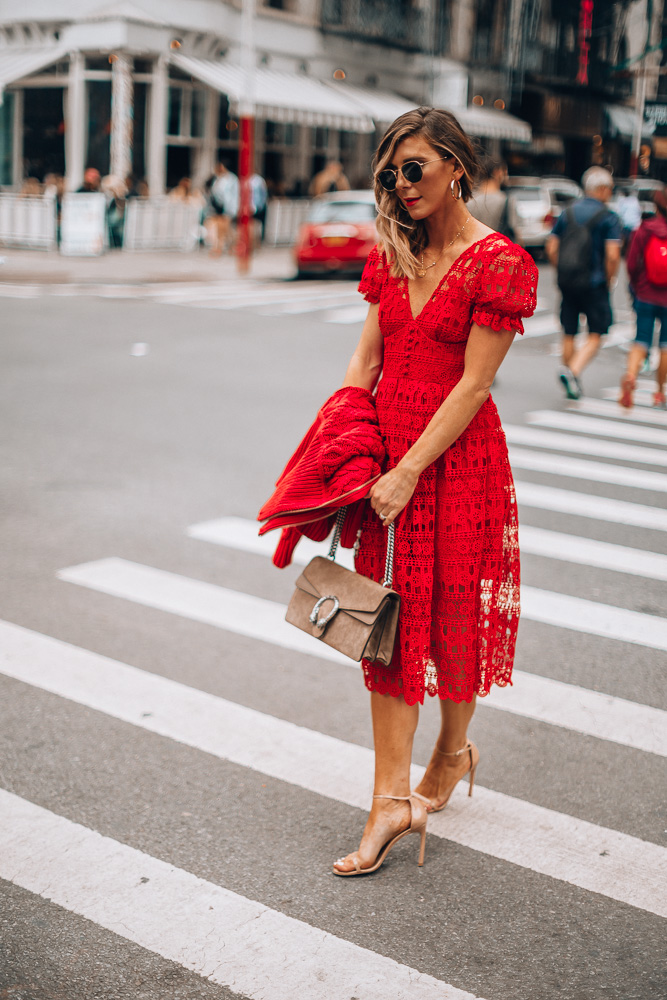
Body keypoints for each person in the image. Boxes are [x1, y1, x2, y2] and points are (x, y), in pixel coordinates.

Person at [330, 106, 537, 876]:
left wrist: (409, 467)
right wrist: (343, 452)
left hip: (452, 463)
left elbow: (475, 385)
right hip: (385, 462)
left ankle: (450, 753)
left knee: (451, 618)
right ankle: (389, 799)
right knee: (388, 629)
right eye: (389, 172)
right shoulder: (389, 254)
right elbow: (362, 367)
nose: (399, 183)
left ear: (456, 165)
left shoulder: (498, 264)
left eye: (412, 167)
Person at [546, 166, 621, 400]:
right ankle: (572, 371)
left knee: (569, 330)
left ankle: (571, 379)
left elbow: (551, 246)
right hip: (595, 283)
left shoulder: (567, 212)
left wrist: (563, 269)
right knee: (597, 332)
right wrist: (610, 279)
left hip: (568, 281)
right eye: (609, 188)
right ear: (601, 189)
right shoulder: (609, 217)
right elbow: (612, 255)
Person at [619, 187, 667, 409]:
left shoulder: (645, 229)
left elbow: (631, 262)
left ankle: (630, 376)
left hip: (646, 294)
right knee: (665, 346)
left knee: (641, 340)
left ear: (657, 206)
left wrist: (637, 285)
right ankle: (659, 391)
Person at [467, 155, 514, 239]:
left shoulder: (469, 198)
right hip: (497, 248)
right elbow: (513, 230)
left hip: (474, 247)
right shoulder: (506, 200)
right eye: (505, 172)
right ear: (497, 172)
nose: (507, 176)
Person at [206, 158, 239, 256]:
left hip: (228, 207)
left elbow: (234, 195)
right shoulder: (217, 178)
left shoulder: (232, 179)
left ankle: (229, 246)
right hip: (217, 206)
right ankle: (219, 247)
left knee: (225, 228)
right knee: (220, 228)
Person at [616, 188, 642, 254]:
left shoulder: (622, 201)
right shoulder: (635, 200)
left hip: (626, 225)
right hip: (635, 225)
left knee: (624, 240)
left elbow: (620, 214)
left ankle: (624, 251)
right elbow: (639, 212)